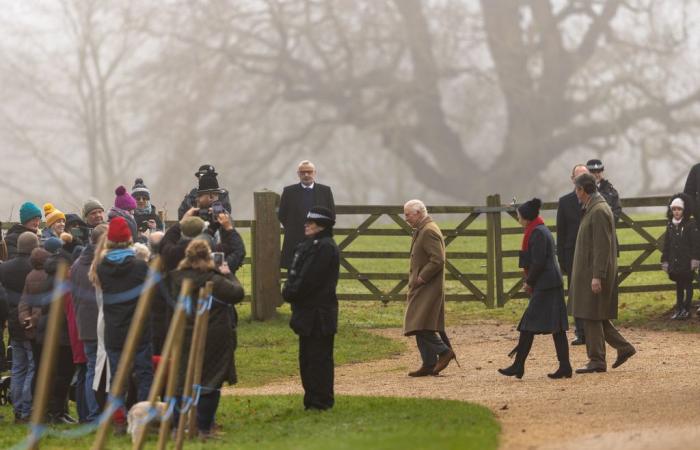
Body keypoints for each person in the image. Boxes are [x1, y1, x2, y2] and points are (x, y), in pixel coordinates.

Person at [170, 239, 244, 438]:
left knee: (181, 380)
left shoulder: (177, 278)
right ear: (206, 257)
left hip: (183, 334)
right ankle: (204, 428)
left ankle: (178, 427)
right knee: (210, 381)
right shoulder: (214, 280)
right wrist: (228, 273)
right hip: (213, 336)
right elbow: (237, 293)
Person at [570, 173, 636, 374]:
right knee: (595, 315)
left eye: (577, 189)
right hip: (588, 273)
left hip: (594, 273)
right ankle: (624, 348)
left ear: (583, 190)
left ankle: (597, 359)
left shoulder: (598, 210)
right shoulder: (593, 207)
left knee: (591, 315)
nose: (575, 193)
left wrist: (597, 276)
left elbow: (602, 247)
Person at [499, 198, 571, 379]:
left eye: (519, 215)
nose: (518, 218)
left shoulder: (537, 233)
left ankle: (518, 365)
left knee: (528, 325)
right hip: (550, 283)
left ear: (526, 218)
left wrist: (529, 282)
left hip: (547, 285)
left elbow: (538, 263)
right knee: (556, 327)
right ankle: (564, 367)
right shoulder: (539, 229)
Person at [95, 216, 153, 429]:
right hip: (139, 329)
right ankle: (143, 417)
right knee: (144, 374)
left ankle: (119, 419)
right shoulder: (140, 267)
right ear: (130, 239)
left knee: (118, 377)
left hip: (115, 330)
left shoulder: (102, 268)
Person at [282, 206, 339, 410]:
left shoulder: (325, 247)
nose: (306, 224)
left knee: (319, 359)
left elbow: (310, 279)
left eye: (312, 222)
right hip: (306, 312)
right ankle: (311, 399)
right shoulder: (308, 245)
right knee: (306, 358)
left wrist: (291, 292)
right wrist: (288, 289)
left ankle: (321, 401)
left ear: (322, 226)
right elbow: (295, 272)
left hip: (319, 314)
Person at [402, 199, 455, 377]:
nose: (406, 218)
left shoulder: (428, 231)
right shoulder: (423, 229)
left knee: (419, 323)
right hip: (424, 286)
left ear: (418, 213)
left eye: (408, 214)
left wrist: (421, 277)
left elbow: (438, 260)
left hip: (427, 286)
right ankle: (429, 363)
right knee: (419, 324)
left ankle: (444, 352)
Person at [71, 224, 108, 423]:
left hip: (84, 325)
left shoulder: (76, 264)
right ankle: (98, 415)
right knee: (99, 371)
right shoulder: (102, 263)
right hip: (101, 325)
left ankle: (91, 414)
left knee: (90, 369)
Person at [0, 232, 39, 423]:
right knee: (32, 365)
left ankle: (17, 408)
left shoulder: (5, 268)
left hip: (13, 320)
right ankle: (26, 408)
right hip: (31, 319)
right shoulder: (36, 268)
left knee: (17, 367)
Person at [278, 160, 335, 269]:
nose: (306, 175)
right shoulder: (289, 191)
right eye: (303, 172)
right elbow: (282, 215)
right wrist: (295, 229)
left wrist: (318, 230)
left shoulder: (325, 191)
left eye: (309, 171)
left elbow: (331, 214)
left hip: (319, 241)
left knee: (318, 273)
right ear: (298, 174)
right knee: (294, 274)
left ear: (315, 172)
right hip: (295, 240)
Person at [557, 164, 590, 346]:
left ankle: (594, 329)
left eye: (585, 176)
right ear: (572, 179)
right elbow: (561, 233)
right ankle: (580, 331)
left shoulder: (596, 200)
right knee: (575, 292)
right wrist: (561, 259)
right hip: (572, 253)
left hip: (591, 253)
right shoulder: (565, 201)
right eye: (578, 177)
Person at [661, 194, 700, 319]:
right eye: (674, 209)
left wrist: (695, 259)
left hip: (687, 261)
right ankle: (679, 309)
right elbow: (666, 244)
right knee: (678, 286)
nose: (676, 212)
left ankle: (686, 309)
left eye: (679, 209)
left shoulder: (690, 224)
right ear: (671, 210)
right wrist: (665, 260)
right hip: (675, 261)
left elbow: (696, 243)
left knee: (688, 285)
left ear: (684, 210)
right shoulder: (670, 225)